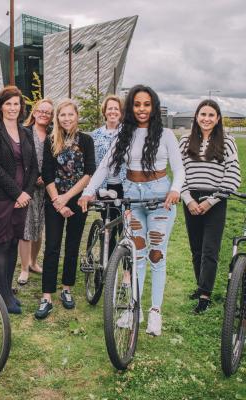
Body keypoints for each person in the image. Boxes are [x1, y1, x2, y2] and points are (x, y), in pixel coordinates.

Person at [79, 85, 184, 336]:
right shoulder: (124, 135)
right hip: (133, 198)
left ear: (154, 107)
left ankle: (155, 312)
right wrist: (88, 191)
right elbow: (104, 167)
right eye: (137, 104)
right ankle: (132, 309)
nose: (142, 109)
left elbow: (179, 170)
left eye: (147, 104)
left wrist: (176, 189)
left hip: (160, 198)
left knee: (156, 255)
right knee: (136, 256)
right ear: (131, 107)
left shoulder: (167, 134)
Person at [35, 99, 95, 320]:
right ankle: (47, 296)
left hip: (78, 200)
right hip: (54, 200)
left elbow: (89, 172)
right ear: (57, 118)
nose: (67, 118)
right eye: (63, 115)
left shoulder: (87, 141)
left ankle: (67, 288)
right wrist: (57, 202)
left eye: (70, 115)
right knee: (52, 246)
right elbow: (47, 174)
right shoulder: (52, 141)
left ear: (76, 116)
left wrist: (68, 198)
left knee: (72, 245)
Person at [179, 99, 241, 313]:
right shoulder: (186, 140)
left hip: (215, 200)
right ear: (196, 117)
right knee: (196, 249)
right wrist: (189, 200)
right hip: (191, 200)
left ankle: (205, 295)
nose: (206, 119)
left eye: (211, 115)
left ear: (218, 119)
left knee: (209, 250)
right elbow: (180, 174)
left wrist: (211, 200)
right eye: (202, 114)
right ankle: (200, 285)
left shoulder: (227, 141)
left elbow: (233, 175)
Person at [0, 86, 38, 314]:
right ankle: (4, 295)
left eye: (16, 104)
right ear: (0, 106)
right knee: (1, 244)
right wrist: (17, 193)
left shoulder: (26, 133)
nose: (12, 108)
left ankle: (8, 291)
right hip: (0, 197)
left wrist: (25, 193)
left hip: (22, 199)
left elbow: (34, 166)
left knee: (14, 242)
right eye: (8, 103)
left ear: (21, 107)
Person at [17, 99, 54, 285]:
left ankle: (33, 262)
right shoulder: (24, 132)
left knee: (39, 228)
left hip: (46, 188)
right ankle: (24, 268)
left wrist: (45, 177)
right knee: (26, 228)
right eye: (41, 110)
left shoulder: (53, 135)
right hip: (27, 186)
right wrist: (33, 178)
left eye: (48, 112)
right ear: (35, 111)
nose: (44, 114)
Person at [91, 94, 124, 255]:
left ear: (121, 112)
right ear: (104, 111)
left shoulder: (128, 134)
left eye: (116, 109)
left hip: (123, 184)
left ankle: (126, 271)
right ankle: (106, 265)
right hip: (104, 186)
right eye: (110, 108)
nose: (113, 111)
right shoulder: (95, 135)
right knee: (108, 226)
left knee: (125, 227)